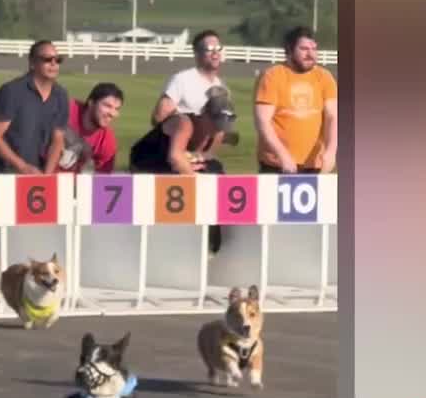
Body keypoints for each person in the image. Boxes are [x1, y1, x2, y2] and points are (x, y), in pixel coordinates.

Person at [130, 88, 234, 254]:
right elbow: (175, 157)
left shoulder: (218, 133)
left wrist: (195, 163)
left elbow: (204, 157)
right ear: (204, 115)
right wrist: (194, 176)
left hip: (172, 163)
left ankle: (214, 241)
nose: (217, 130)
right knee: (199, 183)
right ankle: (188, 241)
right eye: (215, 124)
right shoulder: (184, 123)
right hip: (147, 163)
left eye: (221, 126)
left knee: (216, 173)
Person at [253, 26, 338, 174]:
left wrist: (331, 152)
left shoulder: (324, 77)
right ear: (290, 50)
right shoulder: (272, 76)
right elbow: (263, 122)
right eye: (304, 49)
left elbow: (333, 117)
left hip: (314, 165)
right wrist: (283, 155)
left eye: (314, 49)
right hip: (278, 164)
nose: (310, 54)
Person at [0, 40, 70, 174]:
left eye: (57, 60)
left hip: (35, 172)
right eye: (47, 59)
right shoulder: (11, 91)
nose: (53, 63)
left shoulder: (61, 95)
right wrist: (22, 167)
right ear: (32, 63)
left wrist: (47, 175)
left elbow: (57, 140)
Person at [150, 29, 226, 125]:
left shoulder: (220, 86)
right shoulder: (182, 80)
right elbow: (159, 116)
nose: (215, 52)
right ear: (197, 53)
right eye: (210, 49)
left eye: (218, 48)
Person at [58, 82, 123, 174]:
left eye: (117, 109)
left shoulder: (107, 140)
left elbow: (103, 178)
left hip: (69, 183)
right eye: (107, 106)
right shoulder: (65, 109)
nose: (112, 114)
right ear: (91, 103)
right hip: (39, 172)